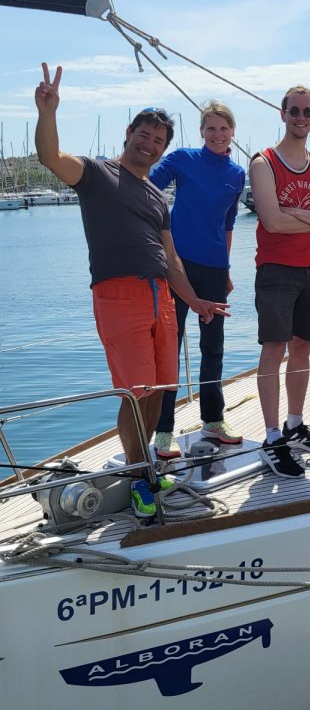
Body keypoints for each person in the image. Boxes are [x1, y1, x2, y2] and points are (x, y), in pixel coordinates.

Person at [34, 64, 227, 518]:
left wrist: (195, 301)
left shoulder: (158, 197)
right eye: (144, 135)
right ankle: (140, 478)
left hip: (163, 298)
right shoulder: (96, 173)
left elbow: (172, 259)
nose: (150, 144)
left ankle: (147, 466)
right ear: (129, 134)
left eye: (158, 140)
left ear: (163, 149)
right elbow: (49, 156)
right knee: (136, 391)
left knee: (159, 389)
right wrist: (48, 111)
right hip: (119, 294)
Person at [250, 86, 310, 479]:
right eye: (294, 111)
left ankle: (294, 424)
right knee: (274, 349)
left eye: (307, 112)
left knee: (302, 348)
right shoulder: (264, 164)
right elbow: (272, 221)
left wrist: (301, 214)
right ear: (283, 113)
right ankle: (272, 437)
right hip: (276, 269)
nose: (301, 117)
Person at [149, 101, 245, 457]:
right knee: (169, 348)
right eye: (211, 128)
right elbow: (145, 185)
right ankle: (163, 430)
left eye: (223, 128)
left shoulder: (237, 173)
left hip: (215, 268)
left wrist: (227, 269)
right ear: (201, 131)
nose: (217, 134)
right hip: (178, 265)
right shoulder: (182, 159)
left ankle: (213, 420)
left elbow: (228, 223)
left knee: (213, 348)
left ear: (232, 131)